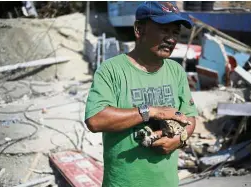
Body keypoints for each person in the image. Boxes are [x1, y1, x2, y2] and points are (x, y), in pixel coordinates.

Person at [85, 1, 198, 187]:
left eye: (175, 32)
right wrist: (152, 112)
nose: (171, 39)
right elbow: (95, 120)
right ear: (139, 30)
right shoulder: (111, 70)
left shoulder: (176, 71)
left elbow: (190, 116)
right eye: (164, 30)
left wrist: (180, 139)